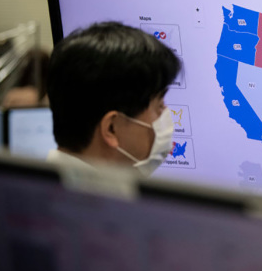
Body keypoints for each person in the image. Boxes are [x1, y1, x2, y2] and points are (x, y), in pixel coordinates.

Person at [46, 22, 180, 175]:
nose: (166, 116)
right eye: (159, 106)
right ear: (111, 128)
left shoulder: (39, 186)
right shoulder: (88, 197)